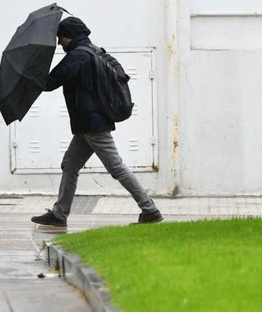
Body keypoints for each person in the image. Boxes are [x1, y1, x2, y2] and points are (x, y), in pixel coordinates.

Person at [31, 17, 163, 228]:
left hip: (92, 125)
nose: (59, 43)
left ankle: (150, 210)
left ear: (69, 36)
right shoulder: (96, 50)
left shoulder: (78, 56)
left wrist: (32, 68)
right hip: (88, 124)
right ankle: (59, 214)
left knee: (116, 168)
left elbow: (50, 82)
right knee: (70, 165)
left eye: (60, 38)